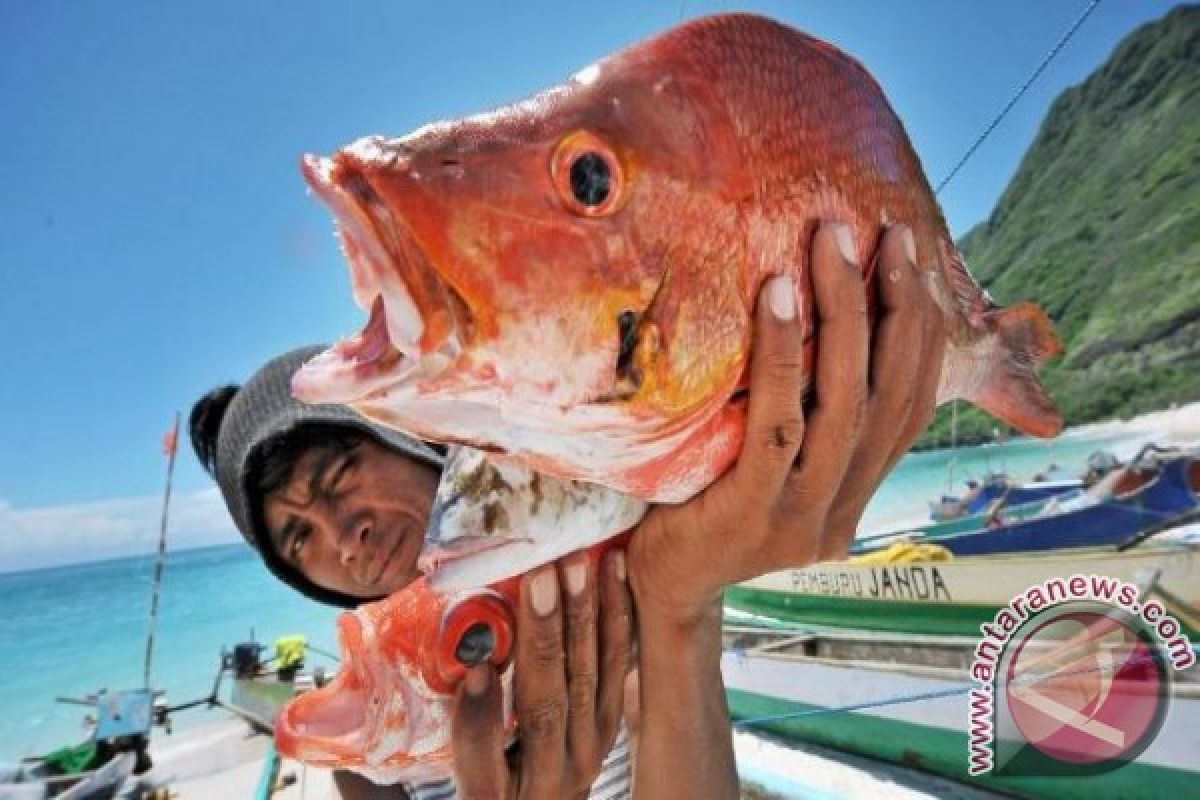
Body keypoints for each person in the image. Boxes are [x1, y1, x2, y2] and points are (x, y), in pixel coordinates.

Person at [191, 222, 942, 799]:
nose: (341, 538)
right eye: (298, 539)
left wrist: (680, 606)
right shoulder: (365, 747)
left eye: (339, 474)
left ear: (405, 435)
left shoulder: (588, 569)